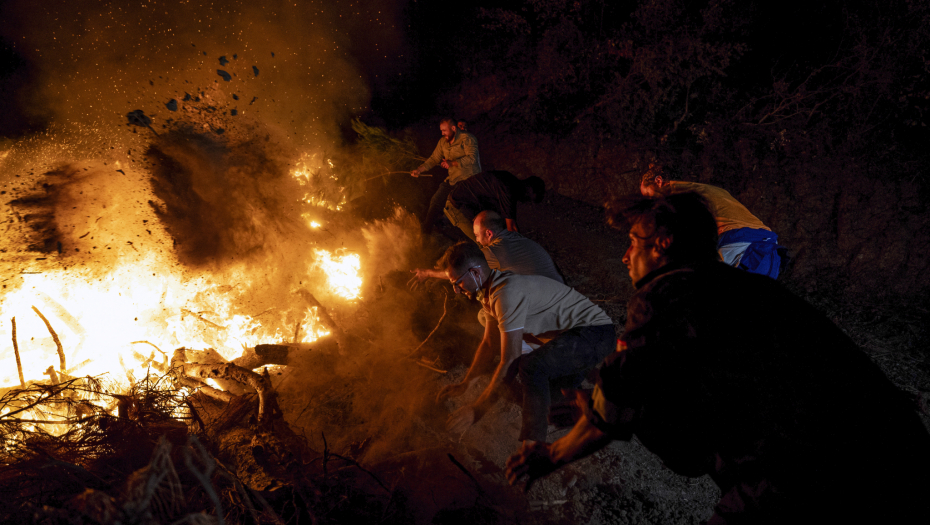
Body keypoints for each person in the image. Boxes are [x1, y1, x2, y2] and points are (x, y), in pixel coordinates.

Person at [506, 192, 930, 523]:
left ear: (662, 244)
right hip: (898, 458)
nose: (624, 255)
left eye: (633, 242)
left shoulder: (666, 295)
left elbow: (616, 407)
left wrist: (552, 454)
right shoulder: (747, 289)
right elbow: (648, 383)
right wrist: (601, 402)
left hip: (816, 475)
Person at [436, 241, 615, 444]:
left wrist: (476, 411)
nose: (456, 291)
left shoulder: (506, 293)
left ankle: (532, 444)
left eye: (457, 283)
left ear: (475, 273)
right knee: (547, 403)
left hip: (594, 334)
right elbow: (488, 344)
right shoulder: (490, 293)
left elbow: (510, 359)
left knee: (530, 367)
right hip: (569, 343)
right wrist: (466, 383)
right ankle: (603, 399)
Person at [640, 165, 781, 278]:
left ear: (659, 181)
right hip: (768, 248)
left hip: (740, 246)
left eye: (647, 194)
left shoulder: (677, 195)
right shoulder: (711, 190)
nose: (650, 201)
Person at [409, 210, 562, 287]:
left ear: (489, 233)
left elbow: (461, 271)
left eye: (476, 235)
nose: (476, 239)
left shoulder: (496, 250)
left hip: (551, 307)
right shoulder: (512, 239)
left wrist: (428, 273)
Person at [411, 118, 481, 234]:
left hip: (469, 179)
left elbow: (472, 158)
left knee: (454, 206)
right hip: (452, 180)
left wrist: (452, 163)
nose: (442, 133)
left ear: (453, 128)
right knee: (436, 200)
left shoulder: (468, 139)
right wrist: (419, 170)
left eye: (444, 130)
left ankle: (477, 237)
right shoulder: (443, 142)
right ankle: (426, 232)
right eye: (441, 131)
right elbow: (433, 159)